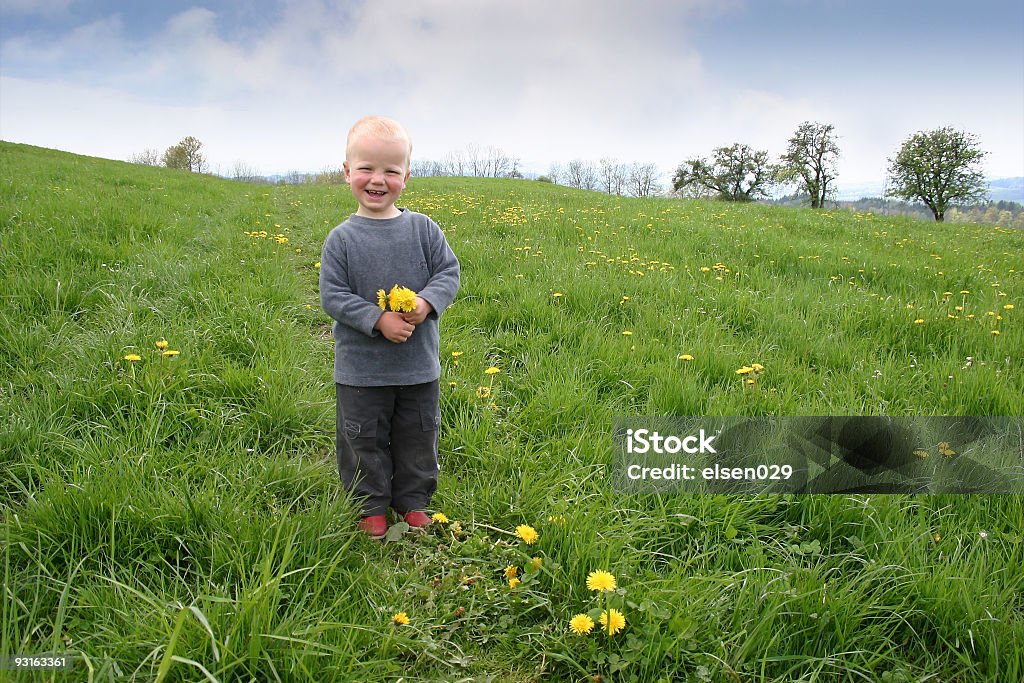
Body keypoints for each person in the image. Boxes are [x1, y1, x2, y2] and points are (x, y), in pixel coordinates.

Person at [319, 116, 460, 538]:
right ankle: (370, 505)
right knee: (363, 440)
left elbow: (448, 273)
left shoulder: (423, 229)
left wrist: (425, 302)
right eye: (366, 168)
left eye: (391, 171)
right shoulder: (341, 240)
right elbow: (334, 296)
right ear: (347, 172)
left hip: (418, 367)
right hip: (361, 371)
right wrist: (378, 319)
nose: (377, 180)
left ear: (406, 176)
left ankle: (413, 501)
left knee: (418, 436)